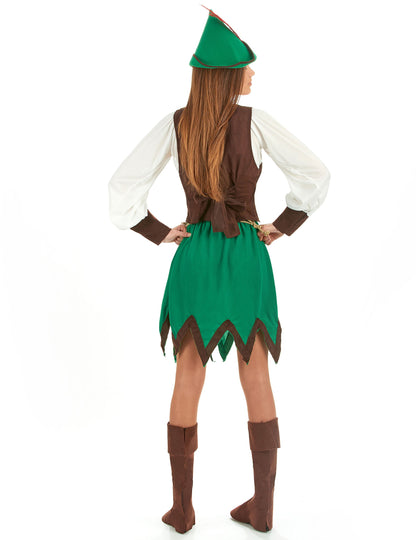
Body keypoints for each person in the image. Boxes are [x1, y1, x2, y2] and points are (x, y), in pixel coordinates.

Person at [108, 5, 330, 534]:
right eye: (246, 68)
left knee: (188, 371)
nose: (252, 74)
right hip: (247, 255)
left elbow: (122, 187)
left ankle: (182, 510)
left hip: (196, 257)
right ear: (227, 75)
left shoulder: (177, 124)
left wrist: (159, 232)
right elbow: (315, 174)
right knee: (256, 372)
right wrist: (283, 224)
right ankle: (263, 507)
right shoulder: (254, 122)